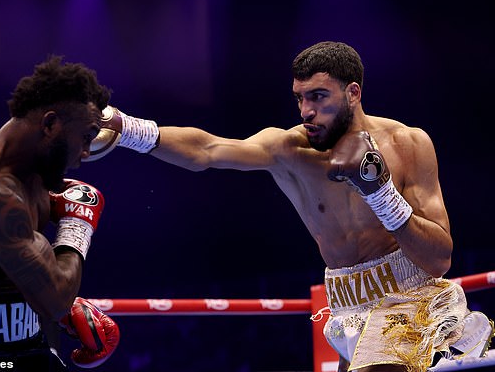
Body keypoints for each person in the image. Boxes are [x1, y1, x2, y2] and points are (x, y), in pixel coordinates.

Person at [89, 41, 493, 371]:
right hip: (346, 304)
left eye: (318, 97)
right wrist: (127, 129)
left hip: (411, 296)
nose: (306, 112)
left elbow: (439, 259)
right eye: (299, 98)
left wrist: (380, 191)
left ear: (353, 93)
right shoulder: (289, 149)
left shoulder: (408, 144)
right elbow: (207, 149)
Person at [0, 56, 119, 371]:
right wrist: (76, 226)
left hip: (29, 345)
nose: (85, 153)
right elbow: (55, 302)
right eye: (85, 137)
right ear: (50, 124)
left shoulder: (31, 165)